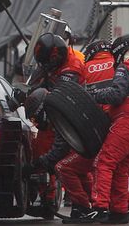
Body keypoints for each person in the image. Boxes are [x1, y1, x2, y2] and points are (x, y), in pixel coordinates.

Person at [79, 34, 129, 223]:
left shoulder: (126, 67)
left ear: (120, 51)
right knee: (121, 168)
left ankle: (100, 207)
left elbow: (116, 94)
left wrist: (92, 95)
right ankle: (119, 211)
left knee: (103, 163)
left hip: (125, 121)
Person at [27, 33, 86, 219]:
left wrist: (45, 161)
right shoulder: (53, 62)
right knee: (43, 145)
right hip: (60, 114)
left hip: (75, 116)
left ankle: (87, 204)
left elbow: (60, 99)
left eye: (47, 64)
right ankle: (48, 197)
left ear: (55, 57)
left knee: (68, 164)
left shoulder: (72, 68)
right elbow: (39, 82)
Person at [53, 40, 112, 218]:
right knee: (111, 168)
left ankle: (91, 206)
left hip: (95, 129)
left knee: (71, 166)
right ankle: (127, 203)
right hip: (122, 125)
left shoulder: (85, 67)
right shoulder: (121, 66)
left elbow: (78, 99)